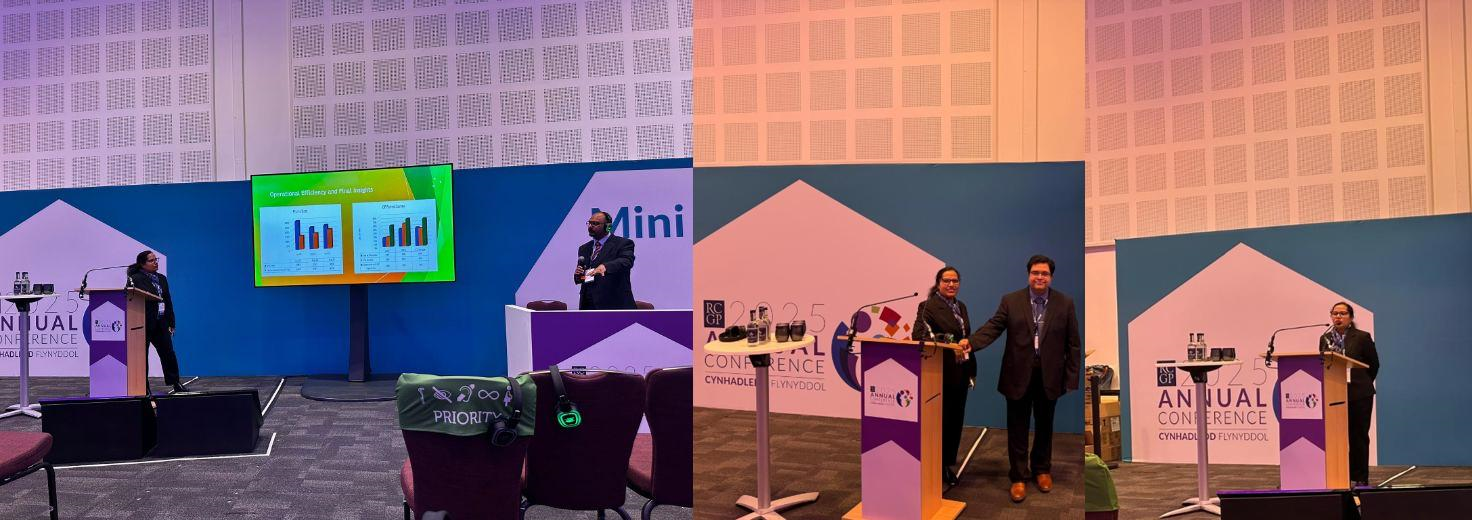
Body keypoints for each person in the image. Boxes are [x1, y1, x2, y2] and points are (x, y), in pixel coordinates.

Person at [961, 254, 1080, 503]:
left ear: (1051, 277)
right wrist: (971, 343)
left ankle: (1042, 469)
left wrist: (1071, 378)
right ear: (1028, 275)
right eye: (1035, 273)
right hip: (1017, 375)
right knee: (1017, 428)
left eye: (1044, 273)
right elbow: (993, 327)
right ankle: (1018, 476)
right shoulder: (1011, 301)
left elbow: (1073, 343)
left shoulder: (1065, 303)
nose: (1040, 277)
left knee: (1045, 426)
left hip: (1050, 376)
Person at [911, 266, 975, 487]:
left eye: (955, 281)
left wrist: (971, 369)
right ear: (938, 283)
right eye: (946, 280)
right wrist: (950, 342)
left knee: (955, 422)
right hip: (939, 372)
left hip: (961, 371)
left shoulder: (961, 306)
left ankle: (946, 464)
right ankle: (934, 464)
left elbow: (965, 336)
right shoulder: (927, 306)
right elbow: (919, 335)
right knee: (940, 422)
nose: (951, 284)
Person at [1320, 301, 1378, 487]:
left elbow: (1374, 364)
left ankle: (1359, 477)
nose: (1338, 317)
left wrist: (1362, 382)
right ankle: (1339, 475)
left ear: (1351, 317)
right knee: (1335, 436)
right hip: (1334, 394)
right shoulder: (1325, 338)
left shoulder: (1362, 337)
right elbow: (1323, 365)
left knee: (1358, 436)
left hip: (1359, 393)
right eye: (1335, 313)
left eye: (1343, 313)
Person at [127, 250, 184, 393]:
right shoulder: (135, 278)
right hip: (143, 323)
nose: (155, 262)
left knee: (168, 353)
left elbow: (168, 301)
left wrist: (171, 322)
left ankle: (175, 382)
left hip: (161, 322)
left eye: (156, 259)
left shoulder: (162, 278)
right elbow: (130, 299)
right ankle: (143, 387)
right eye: (151, 260)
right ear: (142, 264)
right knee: (141, 357)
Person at [573, 211, 636, 310]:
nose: (591, 226)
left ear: (608, 227)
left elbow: (626, 261)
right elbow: (586, 277)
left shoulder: (623, 243)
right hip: (588, 305)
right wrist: (579, 275)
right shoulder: (584, 248)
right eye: (590, 223)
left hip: (614, 304)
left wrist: (605, 266)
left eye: (595, 223)